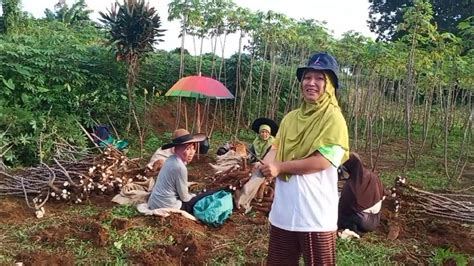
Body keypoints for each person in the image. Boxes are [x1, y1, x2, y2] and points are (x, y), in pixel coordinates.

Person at [259, 52, 349, 265]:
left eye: (320, 78)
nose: (311, 83)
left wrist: (280, 167)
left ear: (330, 85)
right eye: (307, 77)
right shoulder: (291, 118)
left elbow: (323, 161)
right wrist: (265, 165)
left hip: (314, 215)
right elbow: (276, 147)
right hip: (284, 211)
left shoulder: (334, 119)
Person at [147, 129, 215, 214]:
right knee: (203, 197)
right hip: (166, 205)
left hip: (154, 203)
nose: (191, 152)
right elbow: (184, 198)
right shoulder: (180, 167)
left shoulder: (170, 159)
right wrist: (194, 196)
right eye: (187, 149)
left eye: (193, 148)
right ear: (176, 149)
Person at [338, 153, 385, 236]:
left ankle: (352, 230)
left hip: (362, 222)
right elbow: (383, 196)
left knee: (340, 214)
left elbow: (343, 206)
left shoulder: (352, 184)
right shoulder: (374, 176)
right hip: (376, 219)